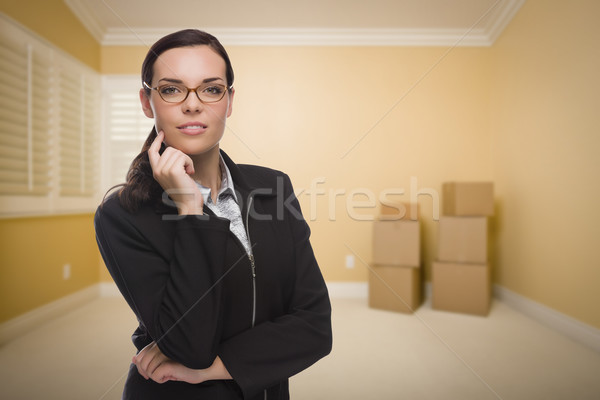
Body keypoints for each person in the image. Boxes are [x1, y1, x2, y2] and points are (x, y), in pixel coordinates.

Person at [94, 29, 332, 399]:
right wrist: (191, 209)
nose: (193, 105)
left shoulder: (274, 187)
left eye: (211, 88)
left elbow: (315, 327)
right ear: (146, 101)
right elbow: (188, 345)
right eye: (172, 89)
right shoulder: (121, 215)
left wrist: (216, 369)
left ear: (229, 100)